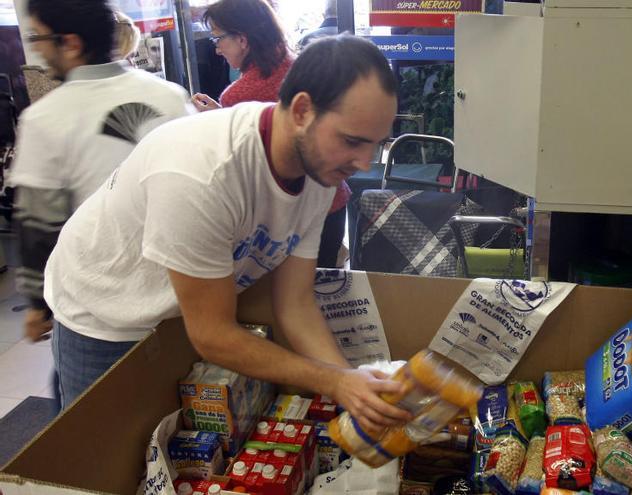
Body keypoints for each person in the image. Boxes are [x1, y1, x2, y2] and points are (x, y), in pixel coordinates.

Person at [44, 35, 410, 431]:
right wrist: (335, 381)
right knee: (98, 453)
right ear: (303, 111)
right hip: (104, 310)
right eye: (353, 141)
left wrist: (351, 386)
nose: (363, 162)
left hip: (179, 308)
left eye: (375, 144)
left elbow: (295, 305)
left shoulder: (319, 170)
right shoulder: (202, 172)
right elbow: (213, 334)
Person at [9, 0, 192, 346]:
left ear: (72, 43)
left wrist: (38, 305)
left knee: (87, 400)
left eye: (38, 37)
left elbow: (38, 224)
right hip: (180, 299)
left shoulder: (46, 117)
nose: (37, 48)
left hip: (98, 313)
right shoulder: (170, 96)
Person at [192, 0, 349, 269]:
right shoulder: (302, 66)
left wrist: (222, 121)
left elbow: (242, 163)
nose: (216, 49)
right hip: (331, 202)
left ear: (242, 39)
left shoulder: (240, 94)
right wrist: (225, 115)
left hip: (289, 218)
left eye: (218, 39)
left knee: (285, 300)